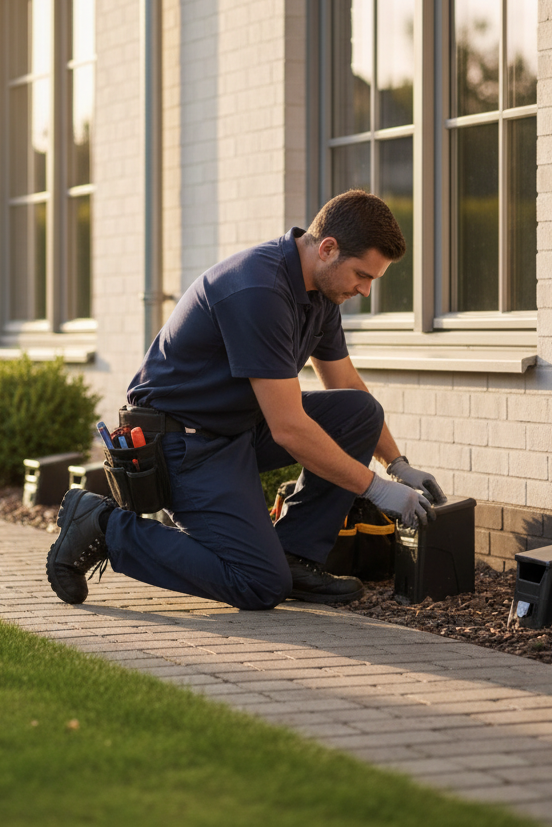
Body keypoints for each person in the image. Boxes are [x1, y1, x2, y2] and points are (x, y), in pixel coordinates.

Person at [46, 189, 445, 610]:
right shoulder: (259, 290)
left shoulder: (320, 295)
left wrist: (396, 464)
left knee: (358, 413)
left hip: (233, 428)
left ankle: (293, 556)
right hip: (182, 443)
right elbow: (289, 428)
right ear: (328, 249)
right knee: (257, 583)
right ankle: (102, 525)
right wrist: (376, 490)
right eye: (363, 275)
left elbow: (345, 381)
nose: (364, 290)